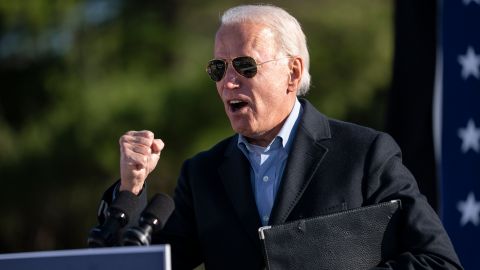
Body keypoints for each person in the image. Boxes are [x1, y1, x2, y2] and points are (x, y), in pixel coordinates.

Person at [95, 4, 463, 270]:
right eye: (218, 68)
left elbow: (438, 260)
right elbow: (142, 264)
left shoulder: (365, 153)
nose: (228, 81)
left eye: (245, 65)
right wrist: (132, 188)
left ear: (292, 72)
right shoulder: (202, 174)